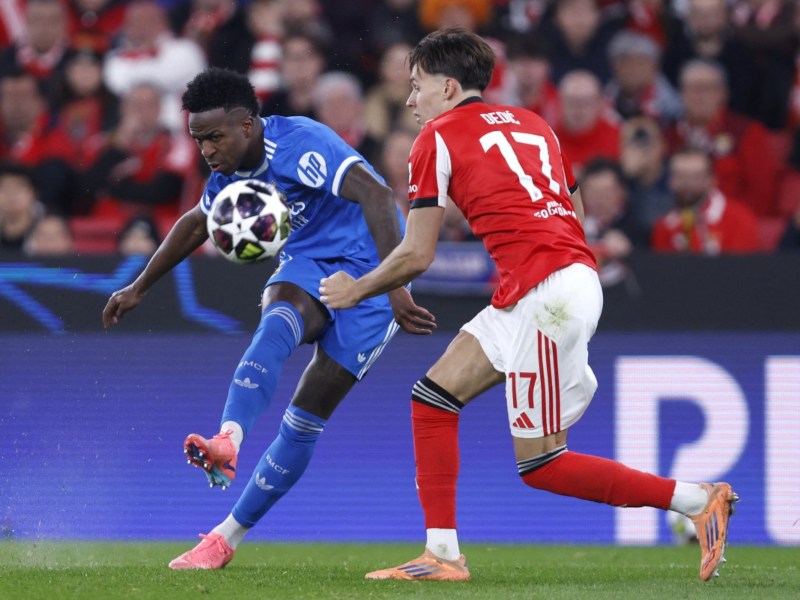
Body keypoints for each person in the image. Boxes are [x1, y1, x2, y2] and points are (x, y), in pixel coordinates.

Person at [320, 28, 738, 583]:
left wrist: (357, 289)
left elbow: (418, 253)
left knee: (542, 463)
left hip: (545, 294)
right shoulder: (534, 123)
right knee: (433, 399)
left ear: (448, 88)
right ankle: (441, 554)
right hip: (555, 280)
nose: (410, 100)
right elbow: (575, 208)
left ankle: (694, 498)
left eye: (417, 86)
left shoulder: (436, 138)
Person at [101, 67, 434, 570]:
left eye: (214, 137)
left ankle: (225, 538)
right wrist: (139, 285)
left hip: (372, 275)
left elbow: (379, 195)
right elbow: (197, 222)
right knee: (279, 315)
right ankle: (227, 440)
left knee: (303, 423)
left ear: (248, 125)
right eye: (197, 140)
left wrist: (395, 287)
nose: (207, 151)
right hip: (310, 263)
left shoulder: (301, 143)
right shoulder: (227, 175)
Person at [651, 147, 760, 254]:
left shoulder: (739, 218)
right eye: (680, 176)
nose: (687, 183)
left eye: (695, 177)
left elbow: (744, 268)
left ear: (712, 180)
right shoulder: (664, 224)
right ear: (671, 180)